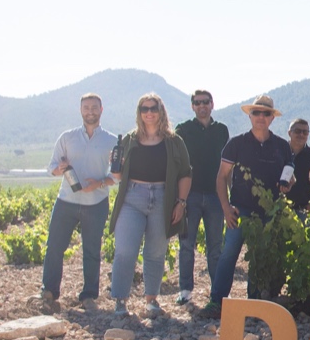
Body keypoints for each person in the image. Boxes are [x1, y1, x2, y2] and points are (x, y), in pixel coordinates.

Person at [204, 96, 295, 318]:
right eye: (257, 113)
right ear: (250, 115)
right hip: (240, 210)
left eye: (266, 113)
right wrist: (226, 208)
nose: (261, 117)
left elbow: (291, 177)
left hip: (270, 212)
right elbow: (221, 177)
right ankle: (217, 301)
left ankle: (253, 303)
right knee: (229, 255)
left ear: (272, 118)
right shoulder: (236, 143)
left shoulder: (282, 146)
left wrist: (288, 184)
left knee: (259, 255)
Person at [108, 93, 192, 318]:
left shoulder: (174, 141)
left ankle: (151, 300)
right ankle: (120, 300)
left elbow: (185, 173)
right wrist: (115, 164)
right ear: (139, 113)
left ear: (161, 110)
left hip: (163, 198)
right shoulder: (129, 140)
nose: (149, 113)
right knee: (125, 250)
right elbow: (117, 176)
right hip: (132, 198)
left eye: (153, 108)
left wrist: (181, 203)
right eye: (144, 109)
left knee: (155, 252)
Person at [40, 94, 116, 311]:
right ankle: (49, 291)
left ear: (102, 109)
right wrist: (60, 169)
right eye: (86, 108)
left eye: (94, 107)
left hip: (97, 203)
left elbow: (117, 175)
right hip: (66, 201)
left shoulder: (112, 141)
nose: (90, 111)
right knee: (54, 246)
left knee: (92, 250)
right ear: (80, 110)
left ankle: (89, 296)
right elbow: (51, 168)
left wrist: (99, 184)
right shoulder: (67, 137)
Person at [173, 90, 229, 304]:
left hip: (216, 196)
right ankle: (185, 290)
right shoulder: (183, 130)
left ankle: (217, 291)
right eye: (197, 103)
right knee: (186, 244)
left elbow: (228, 166)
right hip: (190, 195)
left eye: (205, 102)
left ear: (212, 104)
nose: (202, 106)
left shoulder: (221, 130)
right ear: (193, 107)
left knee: (216, 246)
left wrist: (229, 197)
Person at [285, 118, 310, 214]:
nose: (301, 135)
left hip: (305, 211)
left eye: (305, 132)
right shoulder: (279, 153)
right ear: (289, 133)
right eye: (297, 131)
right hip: (280, 210)